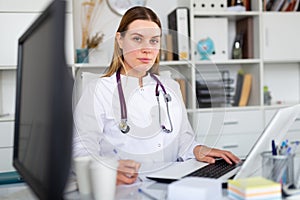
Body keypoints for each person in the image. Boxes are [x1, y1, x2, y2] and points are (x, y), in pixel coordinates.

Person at [72, 6, 240, 185]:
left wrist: (197, 149)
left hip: (171, 186)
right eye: (137, 39)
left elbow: (184, 140)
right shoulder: (98, 90)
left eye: (154, 41)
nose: (147, 49)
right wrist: (106, 171)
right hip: (126, 188)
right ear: (120, 40)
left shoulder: (171, 87)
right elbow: (81, 149)